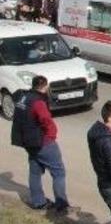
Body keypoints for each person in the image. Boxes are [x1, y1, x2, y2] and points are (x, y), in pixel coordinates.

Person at [10, 76, 69, 212]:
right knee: (59, 173)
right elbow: (46, 120)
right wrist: (51, 136)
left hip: (27, 142)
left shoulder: (23, 98)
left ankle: (38, 202)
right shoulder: (38, 102)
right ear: (45, 86)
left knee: (35, 172)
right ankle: (62, 205)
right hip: (42, 142)